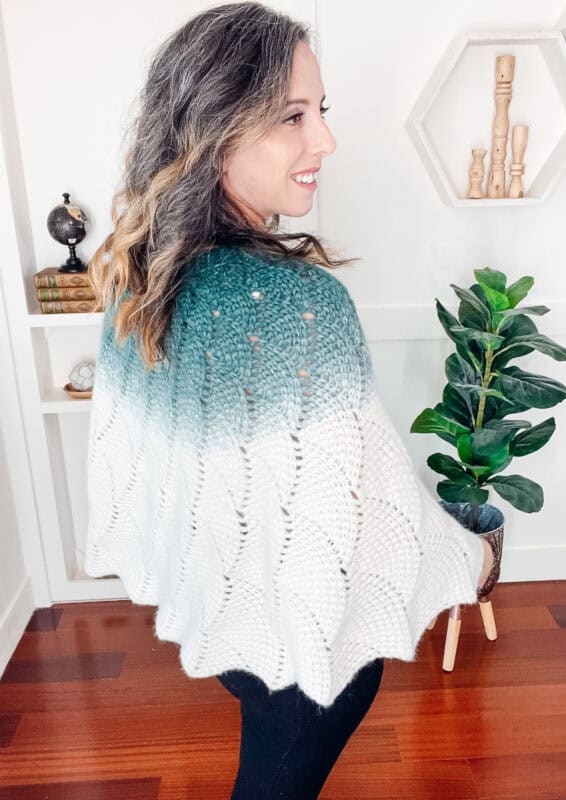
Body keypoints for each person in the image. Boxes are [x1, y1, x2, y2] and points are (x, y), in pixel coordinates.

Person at [84, 4, 496, 798]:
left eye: (321, 111)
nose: (326, 141)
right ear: (215, 129)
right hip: (309, 673)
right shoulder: (296, 307)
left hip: (234, 625)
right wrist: (471, 554)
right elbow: (370, 518)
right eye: (291, 117)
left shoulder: (140, 276)